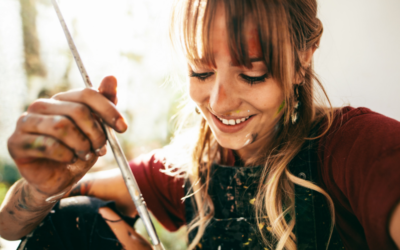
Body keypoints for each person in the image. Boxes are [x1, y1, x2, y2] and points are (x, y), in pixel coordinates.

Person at [1, 0, 400, 249]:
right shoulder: (191, 166)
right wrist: (40, 189)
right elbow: (11, 225)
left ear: (304, 56)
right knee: (77, 218)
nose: (219, 103)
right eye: (201, 71)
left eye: (253, 74)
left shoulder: (360, 150)